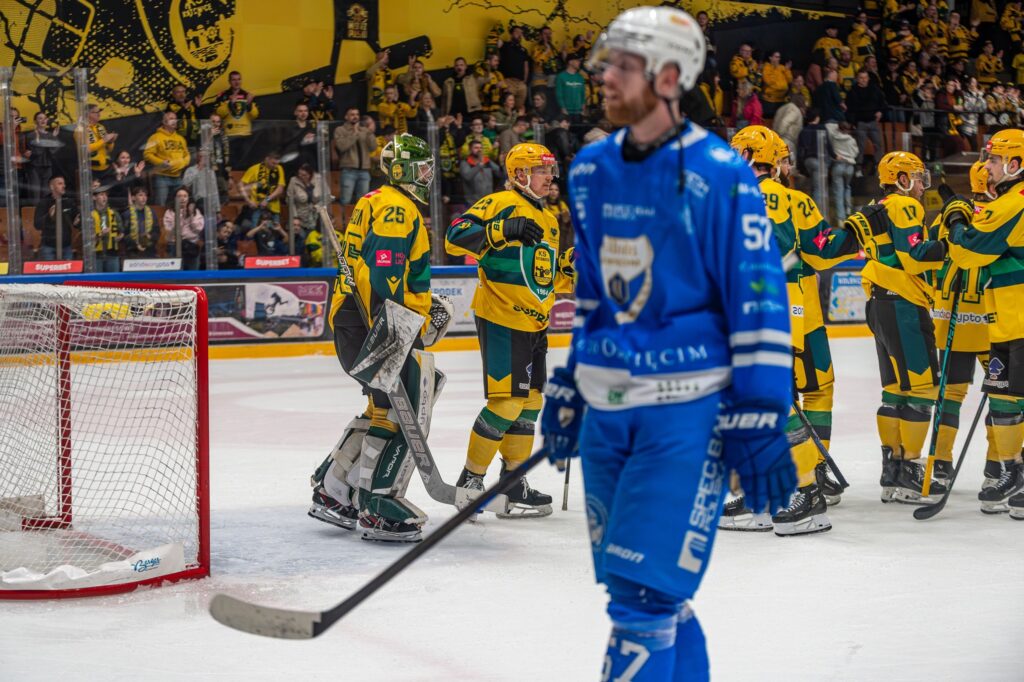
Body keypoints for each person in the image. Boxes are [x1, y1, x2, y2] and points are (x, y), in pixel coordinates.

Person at [538, 8, 796, 679]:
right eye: (606, 64)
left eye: (623, 65)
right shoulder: (590, 169)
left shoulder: (720, 174)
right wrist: (569, 383)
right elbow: (593, 296)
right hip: (607, 412)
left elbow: (759, 296)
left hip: (685, 413)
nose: (605, 77)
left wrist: (763, 409)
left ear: (671, 76)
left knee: (644, 597)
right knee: (648, 596)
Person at [308, 133, 437, 542]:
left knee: (383, 406)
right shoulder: (398, 209)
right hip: (378, 320)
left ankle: (335, 489)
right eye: (422, 167)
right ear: (402, 170)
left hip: (357, 316)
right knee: (409, 408)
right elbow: (384, 274)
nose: (428, 174)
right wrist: (397, 327)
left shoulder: (374, 201)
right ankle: (378, 503)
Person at [446, 142, 574, 517]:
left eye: (551, 171)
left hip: (536, 321)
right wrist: (503, 229)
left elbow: (544, 277)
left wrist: (571, 267)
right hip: (502, 316)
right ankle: (470, 481)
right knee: (507, 402)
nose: (550, 177)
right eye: (541, 170)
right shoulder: (498, 203)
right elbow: (455, 237)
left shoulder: (548, 219)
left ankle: (512, 483)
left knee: (531, 402)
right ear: (519, 174)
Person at [845, 151, 949, 503]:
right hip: (904, 304)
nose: (922, 186)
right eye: (918, 178)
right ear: (902, 179)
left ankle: (891, 470)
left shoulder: (878, 205)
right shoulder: (905, 206)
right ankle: (910, 471)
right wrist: (952, 246)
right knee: (921, 388)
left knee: (894, 391)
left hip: (880, 304)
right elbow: (914, 256)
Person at [942, 131, 1024, 517]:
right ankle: (1011, 470)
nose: (986, 167)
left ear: (1015, 163)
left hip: (1019, 316)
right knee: (1006, 396)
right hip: (1007, 318)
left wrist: (956, 219)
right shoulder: (1008, 201)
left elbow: (967, 251)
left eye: (993, 160)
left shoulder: (1012, 203)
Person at [926, 160, 1000, 495]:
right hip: (991, 319)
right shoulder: (1002, 214)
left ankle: (939, 463)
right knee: (1006, 395)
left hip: (951, 316)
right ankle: (999, 467)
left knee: (950, 394)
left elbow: (928, 259)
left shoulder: (945, 217)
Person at [143, 110, 191, 207]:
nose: (174, 121)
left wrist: (183, 163)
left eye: (175, 119)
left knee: (179, 206)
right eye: (171, 118)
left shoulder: (180, 139)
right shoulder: (155, 137)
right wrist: (161, 162)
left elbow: (187, 155)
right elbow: (147, 154)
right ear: (164, 122)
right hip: (162, 176)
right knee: (161, 205)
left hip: (178, 177)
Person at [214, 70, 259, 167]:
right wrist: (230, 103)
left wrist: (249, 104)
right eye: (234, 80)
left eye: (239, 79)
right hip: (230, 135)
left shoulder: (248, 95)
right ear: (229, 81)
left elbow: (255, 115)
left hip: (245, 134)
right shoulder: (223, 95)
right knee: (230, 165)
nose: (237, 82)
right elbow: (219, 114)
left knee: (244, 164)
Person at [333, 107, 377, 206]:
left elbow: (373, 147)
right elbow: (342, 147)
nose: (355, 117)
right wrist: (355, 134)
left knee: (363, 202)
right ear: (346, 117)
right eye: (352, 114)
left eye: (357, 114)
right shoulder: (340, 130)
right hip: (349, 171)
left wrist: (370, 133)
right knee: (345, 200)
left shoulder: (365, 131)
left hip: (364, 171)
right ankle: (343, 221)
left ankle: (359, 221)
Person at [34, 174, 78, 261]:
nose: (64, 186)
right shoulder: (44, 203)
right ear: (52, 187)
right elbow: (37, 225)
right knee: (49, 274)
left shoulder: (68, 202)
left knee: (69, 274)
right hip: (48, 247)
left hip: (66, 246)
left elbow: (77, 220)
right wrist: (48, 216)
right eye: (60, 183)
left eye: (64, 183)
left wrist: (77, 222)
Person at [239, 151, 286, 229]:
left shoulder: (279, 168)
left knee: (275, 231)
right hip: (257, 208)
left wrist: (267, 199)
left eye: (277, 163)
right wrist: (248, 200)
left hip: (273, 208)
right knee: (256, 232)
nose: (275, 166)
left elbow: (280, 189)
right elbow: (240, 185)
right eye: (273, 163)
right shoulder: (254, 169)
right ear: (267, 159)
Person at [162, 186, 204, 269]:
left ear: (189, 198)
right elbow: (170, 231)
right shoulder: (169, 212)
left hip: (191, 245)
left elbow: (198, 229)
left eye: (185, 196)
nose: (182, 198)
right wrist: (181, 218)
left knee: (192, 275)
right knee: (176, 274)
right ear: (175, 198)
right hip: (175, 245)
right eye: (179, 196)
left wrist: (191, 215)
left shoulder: (196, 212)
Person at [74, 104, 116, 175]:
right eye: (97, 112)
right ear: (88, 114)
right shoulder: (80, 130)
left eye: (99, 112)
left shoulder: (101, 127)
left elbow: (109, 150)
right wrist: (103, 140)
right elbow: (86, 149)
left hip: (107, 168)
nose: (99, 114)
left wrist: (110, 142)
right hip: (91, 170)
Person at [121, 184, 159, 259]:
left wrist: (150, 236)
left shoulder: (152, 212)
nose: (144, 198)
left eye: (145, 195)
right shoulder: (126, 214)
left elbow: (157, 231)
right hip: (132, 251)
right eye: (140, 195)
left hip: (149, 250)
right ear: (133, 198)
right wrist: (136, 244)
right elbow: (124, 234)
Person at [459, 139, 500, 206]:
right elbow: (467, 176)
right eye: (476, 148)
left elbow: (498, 172)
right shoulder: (465, 163)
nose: (479, 150)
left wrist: (488, 161)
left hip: (488, 200)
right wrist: (479, 165)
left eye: (480, 148)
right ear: (470, 149)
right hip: (472, 202)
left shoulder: (487, 161)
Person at [91, 186, 122, 272]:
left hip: (112, 253)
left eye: (106, 195)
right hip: (96, 255)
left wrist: (120, 236)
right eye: (101, 194)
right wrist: (100, 234)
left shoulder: (114, 213)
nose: (104, 197)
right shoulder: (89, 215)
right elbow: (86, 236)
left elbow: (121, 230)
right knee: (97, 283)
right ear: (94, 197)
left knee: (114, 283)